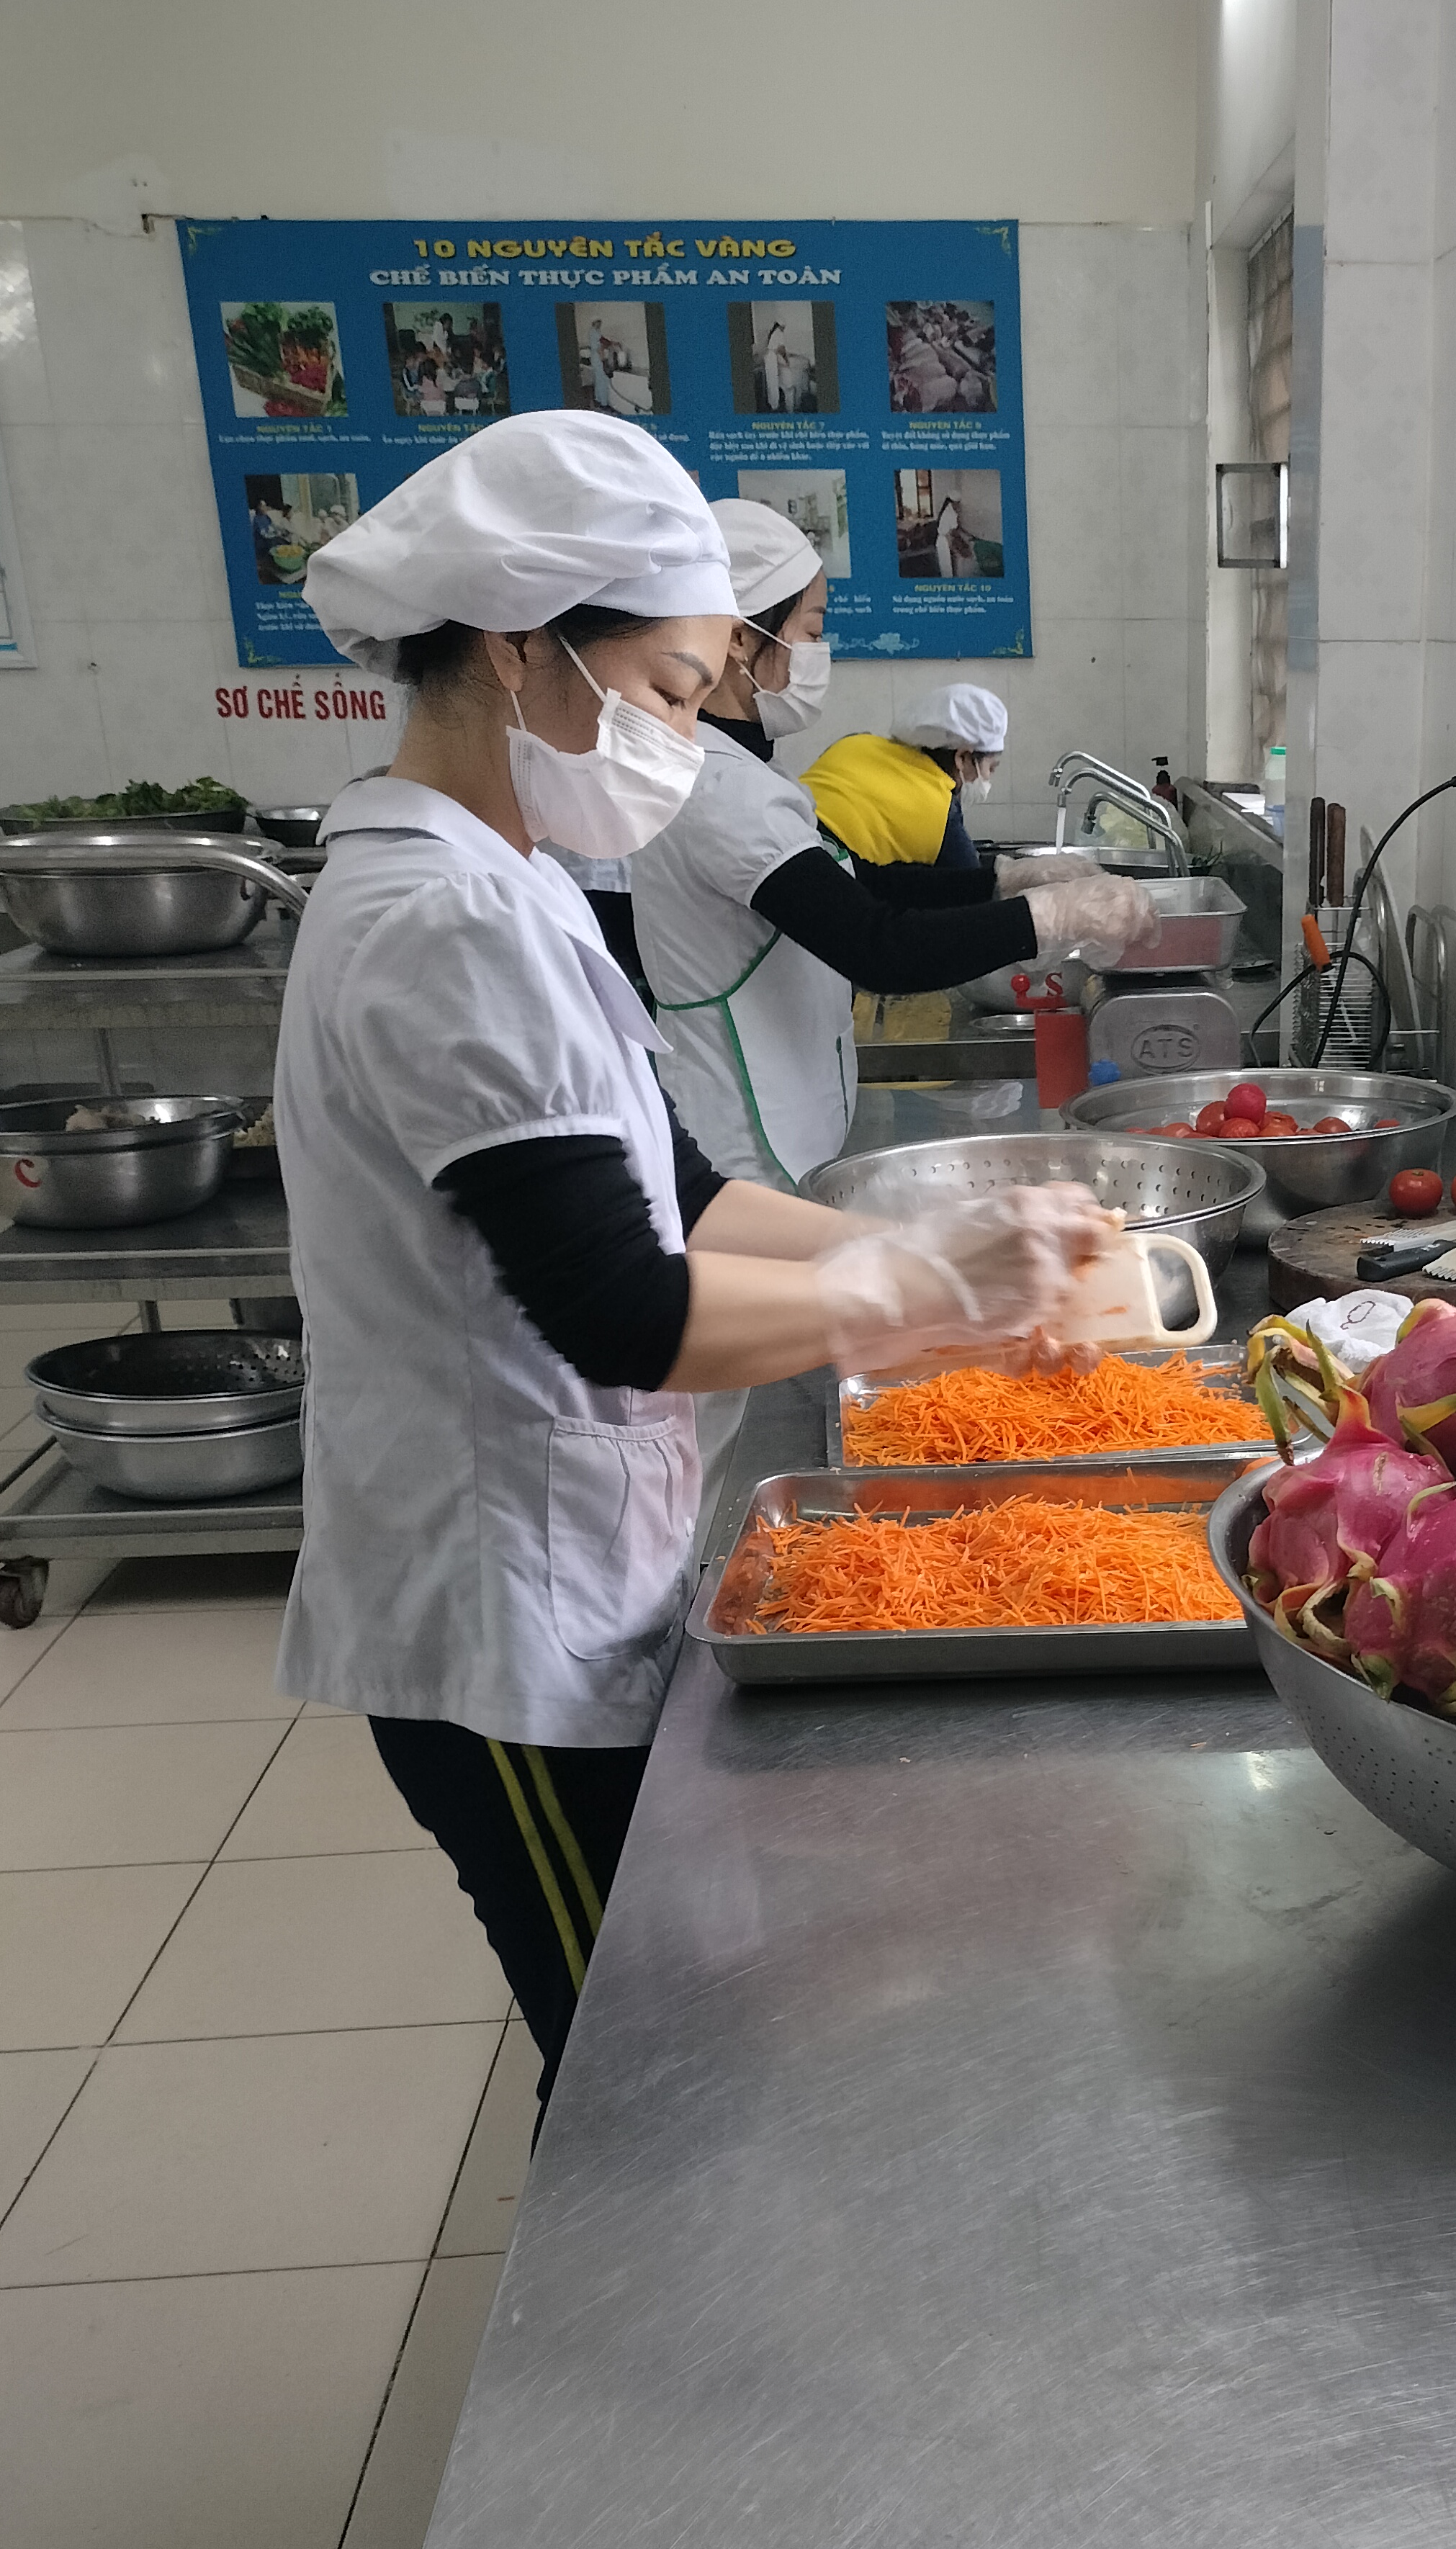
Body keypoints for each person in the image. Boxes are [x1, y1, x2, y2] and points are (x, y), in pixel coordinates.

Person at [282, 413, 1117, 2108]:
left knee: (674, 2017)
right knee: (629, 2075)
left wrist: (925, 1242)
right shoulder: (443, 920)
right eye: (668, 689)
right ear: (518, 648)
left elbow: (679, 1191)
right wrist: (936, 1297)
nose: (683, 737)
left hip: (583, 1553)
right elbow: (621, 1307)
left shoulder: (509, 879)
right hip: (501, 1624)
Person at [627, 502, 1145, 1545]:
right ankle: (697, 1583)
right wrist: (1052, 918)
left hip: (771, 1124)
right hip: (737, 1134)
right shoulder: (713, 789)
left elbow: (862, 883)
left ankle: (705, 1563)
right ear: (741, 641)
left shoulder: (742, 774)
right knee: (713, 1431)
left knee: (743, 1407)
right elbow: (878, 943)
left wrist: (1008, 876)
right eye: (811, 628)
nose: (816, 655)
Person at [804, 680, 1010, 878]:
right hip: (822, 879)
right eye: (990, 768)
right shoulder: (940, 812)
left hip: (790, 842)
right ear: (963, 758)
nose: (988, 778)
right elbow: (973, 885)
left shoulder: (853, 743)